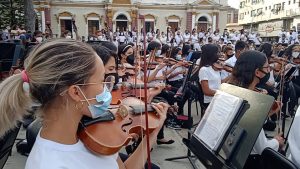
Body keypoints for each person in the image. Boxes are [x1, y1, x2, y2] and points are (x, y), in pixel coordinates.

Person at [0, 39, 168, 169]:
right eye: (102, 81)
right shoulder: (51, 164)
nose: (107, 89)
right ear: (75, 92)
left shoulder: (90, 134)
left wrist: (152, 134)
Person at [227, 50, 284, 169]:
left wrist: (267, 113)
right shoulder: (249, 101)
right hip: (248, 161)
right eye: (267, 67)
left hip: (231, 151)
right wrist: (277, 141)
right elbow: (263, 148)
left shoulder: (230, 90)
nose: (269, 70)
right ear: (257, 72)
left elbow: (248, 125)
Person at [198, 44, 221, 108]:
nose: (219, 54)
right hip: (210, 101)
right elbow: (206, 91)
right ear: (212, 54)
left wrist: (232, 75)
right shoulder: (204, 69)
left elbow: (219, 82)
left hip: (217, 97)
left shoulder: (215, 67)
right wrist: (221, 93)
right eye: (217, 52)